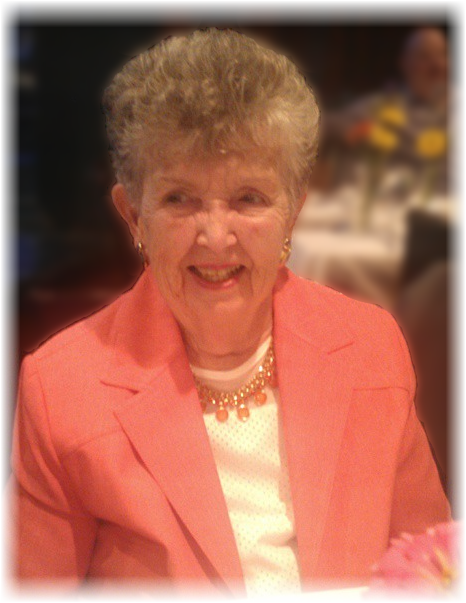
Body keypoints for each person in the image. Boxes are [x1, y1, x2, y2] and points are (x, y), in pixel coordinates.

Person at [1, 28, 450, 602]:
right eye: (179, 199)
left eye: (249, 199)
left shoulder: (369, 344)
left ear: (293, 213)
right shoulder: (62, 387)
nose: (215, 236)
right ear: (134, 217)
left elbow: (433, 571)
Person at [326, 26, 465, 196]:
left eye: (443, 55)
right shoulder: (387, 108)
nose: (437, 65)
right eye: (424, 56)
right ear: (404, 63)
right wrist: (358, 130)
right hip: (422, 206)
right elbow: (324, 124)